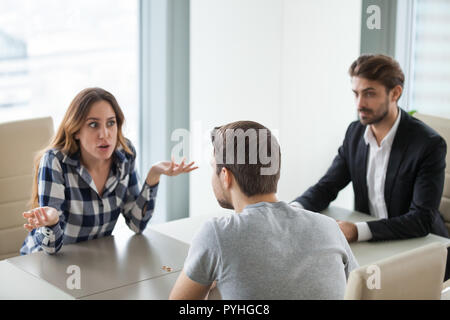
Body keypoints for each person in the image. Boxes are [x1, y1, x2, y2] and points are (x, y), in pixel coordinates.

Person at [291, 54, 449, 280]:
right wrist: (294, 211)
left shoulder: (427, 145)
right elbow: (327, 187)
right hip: (376, 247)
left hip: (421, 250)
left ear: (395, 93)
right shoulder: (355, 133)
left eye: (369, 94)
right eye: (356, 93)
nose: (359, 104)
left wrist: (357, 231)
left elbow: (421, 220)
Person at [169, 121, 358, 300]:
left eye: (213, 168)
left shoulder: (216, 234)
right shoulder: (329, 228)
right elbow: (359, 289)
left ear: (226, 176)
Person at [20, 87, 197, 255]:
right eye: (93, 125)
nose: (104, 134)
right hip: (45, 262)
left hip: (94, 261)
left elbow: (137, 224)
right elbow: (50, 249)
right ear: (76, 131)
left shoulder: (125, 155)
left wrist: (153, 176)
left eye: (111, 123)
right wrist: (52, 222)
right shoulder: (55, 161)